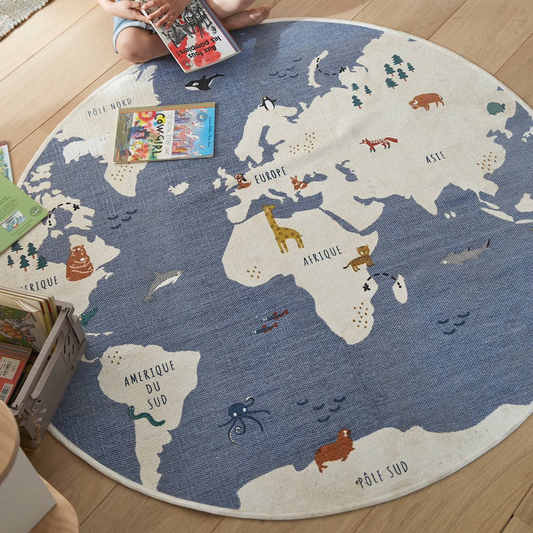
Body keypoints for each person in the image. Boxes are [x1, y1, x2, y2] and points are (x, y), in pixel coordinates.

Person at [97, 0, 271, 63]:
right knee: (130, 48)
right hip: (137, 9)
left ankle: (210, 22)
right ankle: (225, 25)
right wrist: (111, 7)